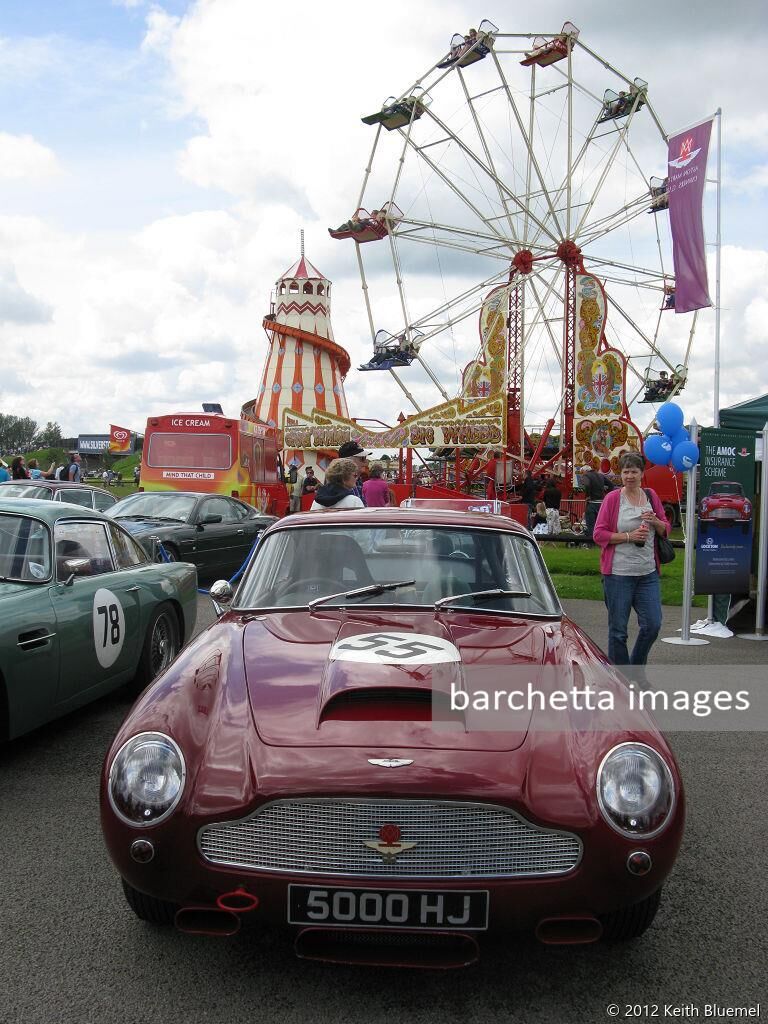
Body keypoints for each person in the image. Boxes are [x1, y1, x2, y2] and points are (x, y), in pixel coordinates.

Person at [593, 451, 671, 669]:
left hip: (648, 574)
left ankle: (634, 671)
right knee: (618, 632)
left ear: (642, 474)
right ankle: (621, 679)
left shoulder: (651, 496)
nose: (629, 476)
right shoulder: (612, 499)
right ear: (620, 474)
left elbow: (666, 528)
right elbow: (598, 534)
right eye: (625, 472)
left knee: (652, 625)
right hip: (618, 574)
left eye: (634, 472)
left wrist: (655, 521)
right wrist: (629, 536)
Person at [580, 464, 615, 545]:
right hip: (601, 504)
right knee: (600, 524)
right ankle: (600, 542)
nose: (582, 475)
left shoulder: (586, 475)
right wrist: (606, 493)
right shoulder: (600, 475)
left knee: (590, 524)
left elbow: (587, 485)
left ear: (585, 471)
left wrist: (588, 496)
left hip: (592, 503)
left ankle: (591, 543)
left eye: (582, 472)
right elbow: (611, 485)